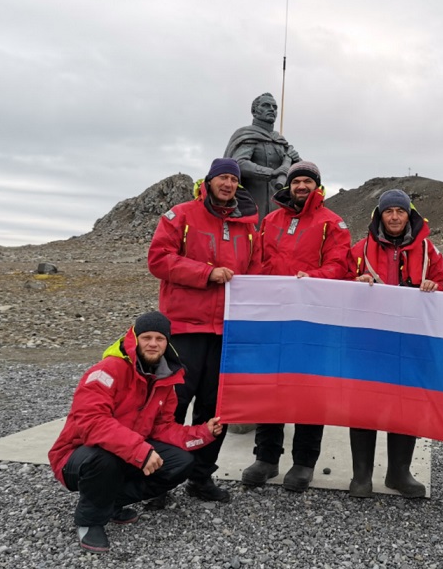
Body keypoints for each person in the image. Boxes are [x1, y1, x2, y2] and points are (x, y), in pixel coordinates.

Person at [48, 311, 224, 553]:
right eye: (146, 337)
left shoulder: (165, 379)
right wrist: (140, 450)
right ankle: (89, 520)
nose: (153, 343)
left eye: (160, 339)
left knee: (180, 462)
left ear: (167, 343)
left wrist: (204, 433)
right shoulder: (108, 370)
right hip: (76, 455)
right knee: (105, 458)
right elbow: (91, 421)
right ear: (135, 338)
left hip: (126, 453)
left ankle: (109, 502)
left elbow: (163, 428)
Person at [147, 157, 262, 503]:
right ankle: (159, 480)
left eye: (233, 180)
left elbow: (257, 272)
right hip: (185, 327)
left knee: (215, 407)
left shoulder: (248, 227)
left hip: (226, 331)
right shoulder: (181, 215)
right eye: (222, 178)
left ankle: (200, 477)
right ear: (208, 181)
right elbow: (158, 259)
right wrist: (206, 273)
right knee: (172, 404)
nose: (228, 184)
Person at [241, 161, 352, 492]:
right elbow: (257, 261)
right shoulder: (271, 220)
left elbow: (340, 265)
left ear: (317, 186)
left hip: (313, 318)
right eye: (296, 181)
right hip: (274, 316)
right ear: (289, 186)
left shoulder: (332, 223)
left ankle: (304, 462)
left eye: (308, 181)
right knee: (270, 385)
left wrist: (311, 279)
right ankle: (266, 457)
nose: (302, 186)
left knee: (309, 388)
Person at [346, 188, 443, 498]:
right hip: (369, 341)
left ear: (409, 215)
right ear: (380, 215)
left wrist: (435, 285)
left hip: (411, 342)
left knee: (406, 404)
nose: (394, 217)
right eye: (388, 211)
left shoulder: (429, 251)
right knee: (364, 404)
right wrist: (355, 282)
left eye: (400, 211)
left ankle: (399, 473)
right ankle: (361, 474)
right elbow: (339, 283)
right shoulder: (360, 250)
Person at [224, 92, 301, 222]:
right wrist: (271, 172)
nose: (271, 109)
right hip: (250, 206)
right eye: (266, 105)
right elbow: (238, 163)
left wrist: (297, 161)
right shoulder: (247, 134)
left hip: (278, 209)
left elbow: (299, 174)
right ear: (254, 111)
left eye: (274, 107)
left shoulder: (280, 140)